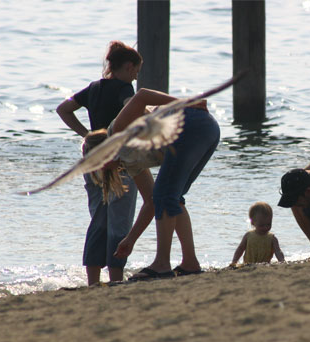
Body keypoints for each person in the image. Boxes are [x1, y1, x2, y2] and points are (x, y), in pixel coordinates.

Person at [90, 86, 220, 280]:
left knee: (165, 196)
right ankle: (190, 263)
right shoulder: (127, 162)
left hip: (191, 122)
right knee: (172, 198)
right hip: (207, 130)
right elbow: (150, 202)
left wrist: (183, 102)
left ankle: (161, 263)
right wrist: (130, 240)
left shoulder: (118, 132)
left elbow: (142, 95)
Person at [56, 40, 142, 285]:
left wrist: (86, 134)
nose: (135, 78)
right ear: (127, 67)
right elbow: (131, 110)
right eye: (135, 71)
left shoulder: (93, 88)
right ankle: (115, 277)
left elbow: (63, 109)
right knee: (120, 221)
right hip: (117, 159)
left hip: (92, 156)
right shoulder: (125, 88)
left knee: (98, 220)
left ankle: (93, 281)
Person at [230, 202, 285, 267]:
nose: (265, 227)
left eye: (268, 224)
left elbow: (278, 251)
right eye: (261, 225)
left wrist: (282, 261)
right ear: (252, 222)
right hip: (248, 265)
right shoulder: (248, 235)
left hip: (265, 265)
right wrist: (234, 261)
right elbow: (240, 249)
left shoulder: (272, 238)